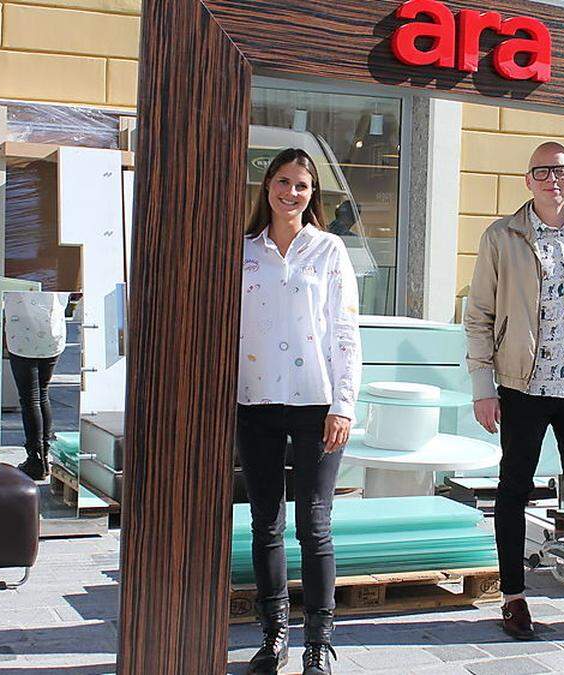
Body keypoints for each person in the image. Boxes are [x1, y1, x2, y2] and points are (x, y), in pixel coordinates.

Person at [463, 141, 564, 643]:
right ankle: (513, 599)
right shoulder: (502, 235)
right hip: (522, 382)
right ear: (527, 180)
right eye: (543, 172)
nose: (554, 180)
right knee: (514, 488)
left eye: (563, 172)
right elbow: (479, 314)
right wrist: (482, 386)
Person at [237, 147, 361, 675]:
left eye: (302, 186)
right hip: (255, 401)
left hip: (316, 403)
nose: (292, 193)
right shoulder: (242, 251)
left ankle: (319, 643)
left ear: (313, 196)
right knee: (265, 522)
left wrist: (344, 404)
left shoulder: (329, 249)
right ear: (267, 187)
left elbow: (345, 331)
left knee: (315, 523)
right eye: (283, 182)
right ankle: (274, 636)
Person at [3, 290, 70, 481]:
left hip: (21, 331)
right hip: (52, 332)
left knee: (30, 397)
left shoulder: (17, 265)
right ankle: (43, 456)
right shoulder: (59, 267)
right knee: (41, 393)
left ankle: (35, 458)